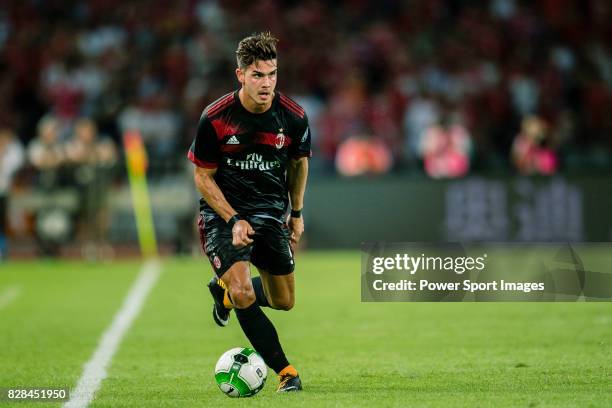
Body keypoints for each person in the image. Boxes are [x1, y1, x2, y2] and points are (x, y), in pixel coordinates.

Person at [187, 32, 310, 393]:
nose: (266, 83)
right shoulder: (216, 117)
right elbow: (202, 177)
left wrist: (297, 213)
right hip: (224, 213)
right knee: (244, 291)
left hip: (271, 213)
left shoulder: (293, 117)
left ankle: (223, 294)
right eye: (258, 75)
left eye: (272, 74)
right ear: (240, 75)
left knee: (284, 301)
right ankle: (286, 372)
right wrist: (232, 219)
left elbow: (299, 165)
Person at [0, 128, 25, 260]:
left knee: (3, 224)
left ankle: (3, 250)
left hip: (4, 193)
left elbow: (17, 163)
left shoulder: (10, 155)